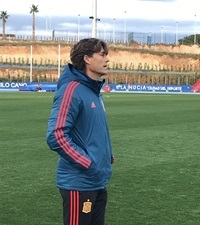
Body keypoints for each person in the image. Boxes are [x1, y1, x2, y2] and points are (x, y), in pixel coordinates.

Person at [46, 38, 114, 225]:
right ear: (86, 59)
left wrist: (106, 156)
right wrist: (87, 162)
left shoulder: (94, 92)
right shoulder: (71, 90)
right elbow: (56, 135)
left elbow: (93, 132)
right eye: (102, 54)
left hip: (97, 179)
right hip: (79, 183)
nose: (107, 59)